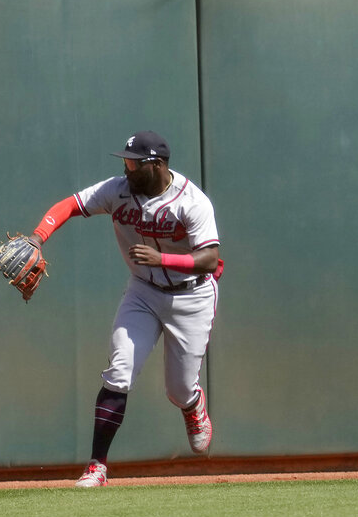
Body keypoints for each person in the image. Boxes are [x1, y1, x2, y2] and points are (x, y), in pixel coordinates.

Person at [27, 131, 222, 487]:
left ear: (158, 165)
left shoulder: (193, 202)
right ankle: (97, 466)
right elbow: (69, 204)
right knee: (119, 370)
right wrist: (38, 237)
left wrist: (162, 258)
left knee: (178, 390)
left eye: (134, 163)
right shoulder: (117, 190)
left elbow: (210, 259)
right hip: (143, 292)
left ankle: (193, 405)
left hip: (191, 297)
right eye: (125, 162)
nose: (127, 168)